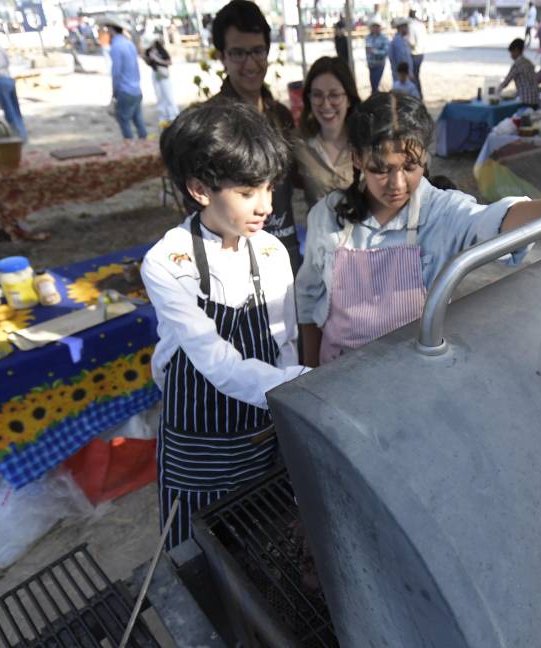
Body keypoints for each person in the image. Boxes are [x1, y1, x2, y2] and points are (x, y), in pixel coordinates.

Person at [295, 92, 541, 367]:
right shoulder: (327, 216)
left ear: (425, 157)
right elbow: (308, 300)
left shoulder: (441, 211)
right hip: (336, 371)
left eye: (410, 167)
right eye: (380, 169)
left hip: (405, 375)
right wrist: (308, 377)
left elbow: (496, 220)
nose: (397, 184)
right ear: (357, 159)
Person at [142, 101, 308, 551]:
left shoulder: (270, 251)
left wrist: (290, 404)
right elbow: (219, 365)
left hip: (260, 429)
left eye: (269, 187)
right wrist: (304, 384)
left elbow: (284, 341)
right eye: (248, 192)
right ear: (199, 189)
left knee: (260, 532)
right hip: (200, 444)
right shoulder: (168, 263)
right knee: (199, 548)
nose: (266, 205)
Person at [208, 0, 300, 272]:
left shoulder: (281, 114)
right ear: (222, 57)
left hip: (285, 248)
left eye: (257, 51)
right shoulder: (211, 123)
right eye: (238, 53)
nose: (250, 64)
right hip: (235, 262)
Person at [293, 56, 360, 209]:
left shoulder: (366, 141)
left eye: (334, 95)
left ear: (349, 99)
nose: (326, 104)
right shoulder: (298, 143)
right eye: (317, 95)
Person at [106, 19, 147, 139]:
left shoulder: (116, 46)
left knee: (123, 120)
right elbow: (136, 67)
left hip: (125, 89)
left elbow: (116, 72)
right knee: (138, 120)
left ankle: (130, 145)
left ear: (111, 30)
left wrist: (114, 92)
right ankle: (145, 144)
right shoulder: (129, 44)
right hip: (136, 88)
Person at [143, 35, 179, 127]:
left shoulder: (161, 50)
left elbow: (169, 62)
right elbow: (148, 62)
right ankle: (163, 116)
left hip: (163, 73)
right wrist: (147, 58)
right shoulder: (148, 51)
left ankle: (173, 115)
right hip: (155, 73)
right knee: (159, 96)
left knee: (168, 95)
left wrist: (157, 59)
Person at [498, 38, 540, 108]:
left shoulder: (517, 64)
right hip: (536, 99)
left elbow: (506, 81)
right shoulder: (528, 62)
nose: (511, 55)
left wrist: (495, 92)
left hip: (526, 101)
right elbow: (528, 82)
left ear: (516, 50)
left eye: (512, 52)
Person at [365, 15, 389, 93]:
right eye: (373, 26)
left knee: (375, 84)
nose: (375, 28)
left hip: (379, 64)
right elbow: (367, 51)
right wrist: (368, 61)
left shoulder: (384, 38)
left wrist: (374, 51)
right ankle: (375, 95)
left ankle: (375, 96)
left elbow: (386, 51)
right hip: (371, 64)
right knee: (373, 84)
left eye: (377, 26)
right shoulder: (368, 37)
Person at [407, 9, 426, 98]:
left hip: (414, 53)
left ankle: (417, 95)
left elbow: (412, 42)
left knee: (413, 76)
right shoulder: (421, 24)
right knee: (416, 75)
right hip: (421, 52)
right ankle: (419, 95)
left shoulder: (411, 26)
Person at [388, 18, 413, 84]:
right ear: (401, 28)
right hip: (402, 75)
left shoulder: (402, 39)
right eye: (406, 26)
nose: (408, 28)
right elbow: (402, 59)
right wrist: (407, 73)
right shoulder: (398, 41)